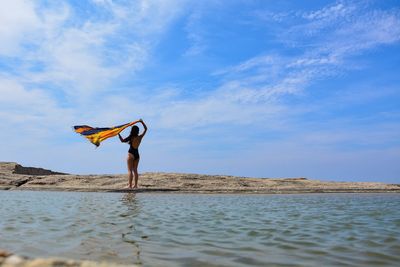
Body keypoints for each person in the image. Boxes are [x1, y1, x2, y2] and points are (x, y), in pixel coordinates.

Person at [118, 119, 147, 189]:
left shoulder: (131, 137)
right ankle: (136, 185)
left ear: (132, 130)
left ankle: (130, 185)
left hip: (131, 154)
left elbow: (122, 141)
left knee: (130, 170)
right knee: (135, 170)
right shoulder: (140, 137)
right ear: (137, 131)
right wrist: (142, 122)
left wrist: (118, 134)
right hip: (137, 154)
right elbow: (146, 129)